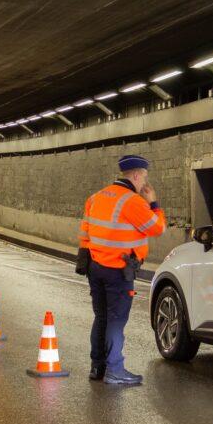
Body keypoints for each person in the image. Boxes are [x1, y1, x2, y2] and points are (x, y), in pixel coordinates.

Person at [77, 154, 165, 385]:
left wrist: (85, 260)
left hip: (95, 267)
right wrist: (153, 203)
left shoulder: (96, 197)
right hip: (118, 269)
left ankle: (98, 367)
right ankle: (115, 370)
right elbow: (157, 228)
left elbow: (85, 232)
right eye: (144, 177)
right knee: (116, 320)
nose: (145, 182)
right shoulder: (132, 201)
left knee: (102, 317)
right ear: (136, 175)